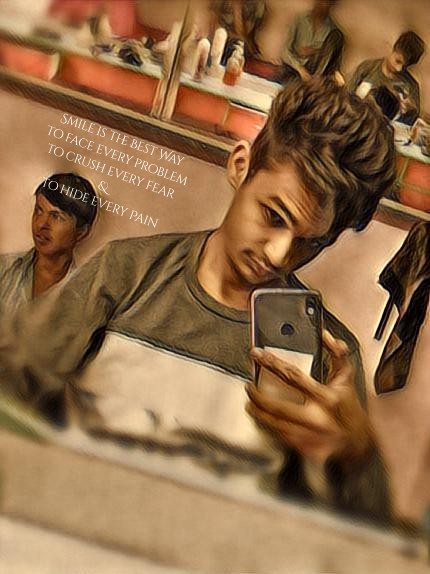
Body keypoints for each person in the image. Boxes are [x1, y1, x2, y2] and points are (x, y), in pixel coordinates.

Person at [0, 79, 396, 522]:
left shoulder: (328, 355)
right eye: (273, 216)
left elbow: (365, 536)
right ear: (241, 167)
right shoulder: (125, 273)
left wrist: (356, 456)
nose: (279, 253)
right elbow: (12, 386)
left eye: (312, 242)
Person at [0, 172, 97, 314]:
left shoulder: (87, 298)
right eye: (39, 211)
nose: (41, 224)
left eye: (56, 216)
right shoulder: (4, 270)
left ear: (81, 232)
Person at [349, 31, 425, 125]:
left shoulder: (411, 85)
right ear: (393, 49)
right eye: (398, 61)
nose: (399, 69)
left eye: (405, 66)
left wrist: (409, 111)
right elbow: (348, 97)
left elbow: (411, 124)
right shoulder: (368, 68)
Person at [280, 0, 344, 84]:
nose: (323, 5)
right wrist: (300, 69)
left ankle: (315, 80)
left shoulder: (332, 29)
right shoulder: (300, 19)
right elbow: (284, 50)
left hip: (314, 70)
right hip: (293, 67)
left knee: (337, 36)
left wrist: (315, 51)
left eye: (327, 2)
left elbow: (328, 55)